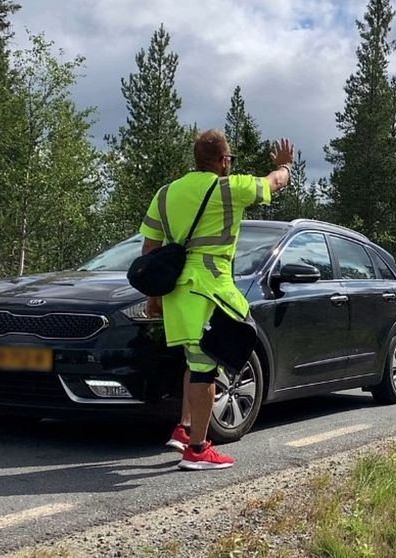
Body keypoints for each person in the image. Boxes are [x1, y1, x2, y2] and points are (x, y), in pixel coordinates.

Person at [139, 129, 294, 470]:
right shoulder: (228, 189)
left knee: (195, 360)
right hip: (210, 287)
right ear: (224, 161)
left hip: (178, 291)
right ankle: (197, 450)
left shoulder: (165, 194)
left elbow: (149, 251)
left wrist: (154, 296)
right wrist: (285, 166)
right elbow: (273, 183)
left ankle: (185, 428)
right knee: (209, 365)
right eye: (229, 160)